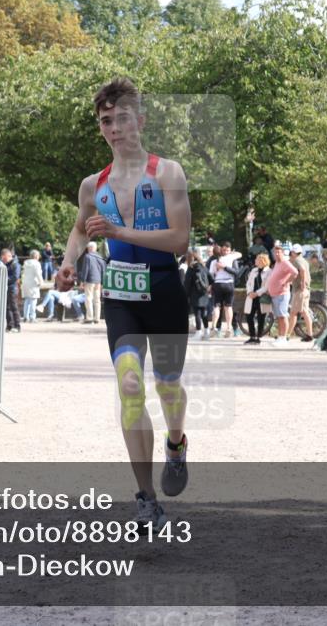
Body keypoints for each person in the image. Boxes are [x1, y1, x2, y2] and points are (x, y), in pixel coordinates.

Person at [53, 78, 192, 527]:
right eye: (106, 121)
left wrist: (117, 234)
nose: (114, 127)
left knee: (167, 386)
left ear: (141, 121)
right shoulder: (93, 184)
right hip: (121, 297)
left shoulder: (168, 173)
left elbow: (179, 240)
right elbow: (80, 228)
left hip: (166, 291)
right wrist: (69, 261)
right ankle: (147, 499)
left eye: (122, 118)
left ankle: (176, 443)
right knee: (130, 387)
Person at [266, 244, 297, 346]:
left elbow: (295, 272)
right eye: (275, 252)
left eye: (278, 252)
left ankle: (284, 338)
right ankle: (280, 336)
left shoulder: (285, 262)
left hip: (282, 294)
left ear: (283, 253)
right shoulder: (277, 263)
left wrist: (286, 282)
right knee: (279, 317)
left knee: (283, 316)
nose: (276, 254)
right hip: (275, 294)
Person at [208, 241, 241, 338]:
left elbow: (211, 274)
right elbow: (237, 271)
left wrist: (210, 285)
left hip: (218, 283)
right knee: (228, 307)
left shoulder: (214, 261)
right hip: (229, 284)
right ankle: (228, 328)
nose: (226, 251)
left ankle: (214, 327)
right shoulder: (231, 258)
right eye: (225, 249)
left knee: (217, 306)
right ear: (222, 250)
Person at [287, 244, 315, 344]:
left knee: (294, 312)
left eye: (291, 252)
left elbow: (302, 270)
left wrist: (302, 283)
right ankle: (310, 335)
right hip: (305, 289)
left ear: (293, 252)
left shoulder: (297, 261)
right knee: (304, 312)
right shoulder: (304, 260)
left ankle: (287, 335)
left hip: (300, 290)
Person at [243, 252, 272, 345]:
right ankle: (252, 336)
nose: (255, 261)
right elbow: (248, 283)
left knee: (261, 317)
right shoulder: (253, 270)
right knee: (249, 316)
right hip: (251, 296)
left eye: (257, 259)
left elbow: (267, 286)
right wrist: (249, 292)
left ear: (262, 261)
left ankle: (258, 337)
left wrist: (257, 293)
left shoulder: (269, 272)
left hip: (261, 297)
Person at [183, 248, 211, 340]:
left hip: (195, 294)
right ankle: (207, 332)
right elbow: (212, 278)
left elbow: (187, 284)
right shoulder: (203, 266)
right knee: (204, 314)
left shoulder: (191, 268)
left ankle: (198, 333)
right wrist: (208, 287)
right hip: (204, 293)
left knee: (197, 314)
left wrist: (185, 295)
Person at [77, 241, 106, 324]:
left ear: (89, 248)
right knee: (97, 300)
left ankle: (89, 318)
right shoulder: (100, 257)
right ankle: (97, 318)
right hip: (98, 281)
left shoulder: (87, 256)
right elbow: (103, 270)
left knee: (89, 299)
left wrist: (82, 281)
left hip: (89, 280)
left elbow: (86, 269)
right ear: (95, 248)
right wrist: (102, 282)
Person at [1, 248, 21, 332]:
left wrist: (5, 280)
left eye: (5, 258)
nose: (4, 260)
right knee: (7, 307)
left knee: (13, 307)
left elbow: (15, 276)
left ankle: (17, 325)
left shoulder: (15, 264)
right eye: (3, 259)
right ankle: (9, 325)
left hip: (13, 288)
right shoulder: (6, 264)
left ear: (9, 256)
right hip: (6, 287)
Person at [21, 250, 44, 323]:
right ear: (36, 256)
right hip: (33, 283)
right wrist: (41, 282)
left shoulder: (25, 263)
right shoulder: (36, 263)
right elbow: (38, 274)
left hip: (25, 283)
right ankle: (32, 317)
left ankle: (25, 316)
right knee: (33, 300)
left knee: (27, 300)